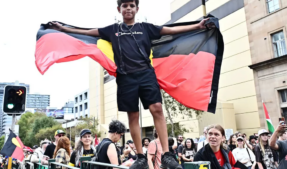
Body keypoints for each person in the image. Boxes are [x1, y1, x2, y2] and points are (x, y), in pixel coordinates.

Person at [50, 0, 211, 168]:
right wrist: (63, 29)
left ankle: (167, 154)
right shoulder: (113, 30)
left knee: (157, 108)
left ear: (137, 9)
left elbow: (170, 30)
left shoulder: (146, 28)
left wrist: (197, 27)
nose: (128, 8)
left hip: (146, 73)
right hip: (126, 77)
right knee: (133, 115)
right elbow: (88, 32)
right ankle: (141, 156)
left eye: (131, 6)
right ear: (119, 9)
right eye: (125, 6)